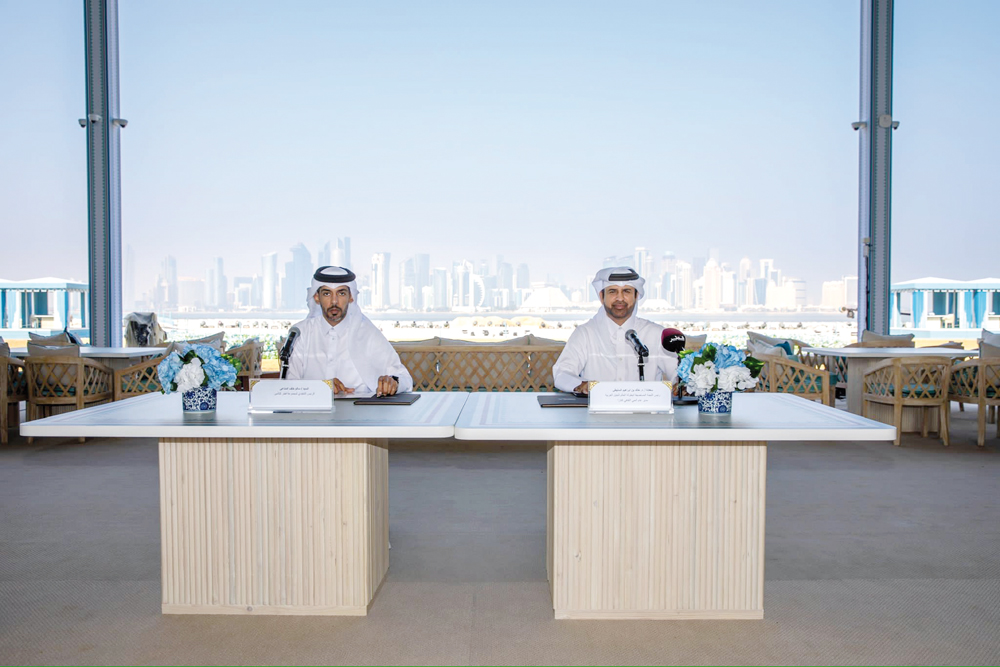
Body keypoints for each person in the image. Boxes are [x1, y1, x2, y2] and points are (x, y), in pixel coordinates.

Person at [285, 266, 413, 396]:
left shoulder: (368, 333)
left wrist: (393, 383)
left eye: (341, 293)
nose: (334, 301)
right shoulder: (301, 333)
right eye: (327, 293)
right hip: (311, 414)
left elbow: (405, 379)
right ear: (317, 298)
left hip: (359, 412)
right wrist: (323, 387)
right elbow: (287, 386)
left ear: (351, 297)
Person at [552, 267, 678, 394]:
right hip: (596, 413)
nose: (620, 298)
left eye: (626, 291)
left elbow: (678, 374)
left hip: (646, 413)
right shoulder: (585, 333)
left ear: (636, 296)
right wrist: (581, 385)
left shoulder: (656, 334)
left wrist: (681, 387)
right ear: (602, 296)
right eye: (612, 291)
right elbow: (562, 372)